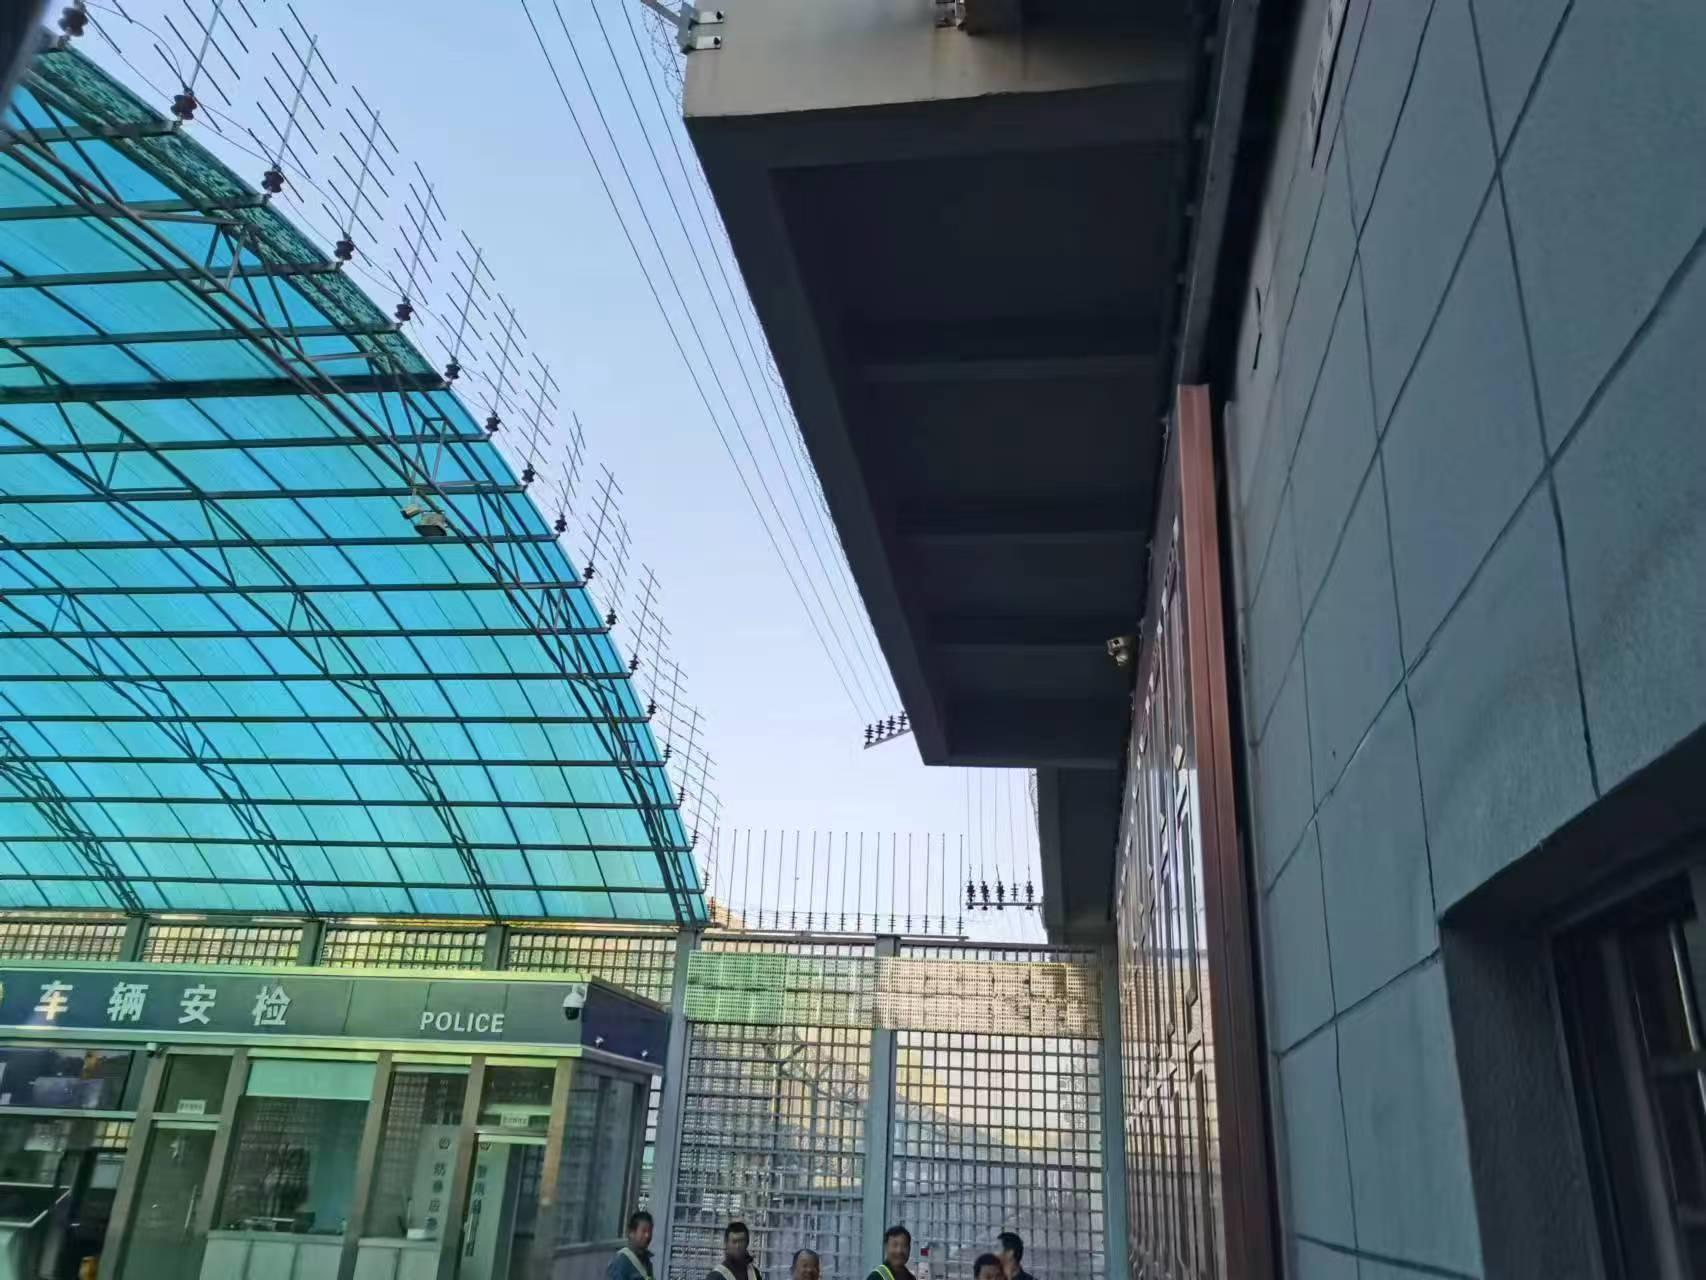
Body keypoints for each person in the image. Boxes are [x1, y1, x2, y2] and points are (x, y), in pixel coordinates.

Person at [609, 1211, 655, 1280]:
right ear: (631, 1233)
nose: (647, 1236)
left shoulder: (647, 1262)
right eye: (644, 1231)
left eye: (650, 1231)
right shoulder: (621, 1262)